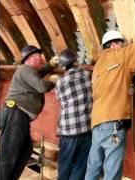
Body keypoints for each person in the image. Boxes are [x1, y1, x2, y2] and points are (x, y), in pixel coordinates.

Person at [84, 30, 135, 180]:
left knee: (93, 167)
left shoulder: (98, 66)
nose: (123, 47)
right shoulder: (120, 55)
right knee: (112, 172)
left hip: (97, 122)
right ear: (114, 44)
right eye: (121, 44)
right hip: (113, 124)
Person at [0, 45, 58, 180]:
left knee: (25, 151)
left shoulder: (28, 72)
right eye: (39, 56)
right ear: (30, 58)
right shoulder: (25, 70)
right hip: (15, 115)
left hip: (18, 116)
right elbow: (41, 86)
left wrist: (51, 65)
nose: (41, 59)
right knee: (9, 155)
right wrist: (53, 82)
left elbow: (39, 74)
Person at [53, 49, 93, 180]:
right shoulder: (88, 75)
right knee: (81, 166)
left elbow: (58, 97)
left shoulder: (61, 81)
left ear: (64, 66)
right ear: (76, 62)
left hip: (68, 131)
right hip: (86, 129)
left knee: (65, 165)